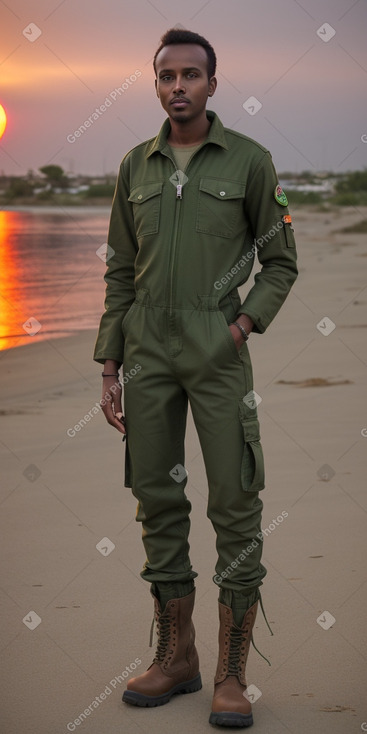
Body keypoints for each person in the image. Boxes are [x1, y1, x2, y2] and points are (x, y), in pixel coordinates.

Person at [94, 28, 298, 728]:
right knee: (157, 500)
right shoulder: (134, 166)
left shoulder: (247, 161)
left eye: (190, 74)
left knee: (236, 502)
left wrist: (240, 327)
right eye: (165, 75)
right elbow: (120, 271)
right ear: (154, 85)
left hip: (217, 355)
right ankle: (176, 657)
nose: (177, 85)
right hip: (146, 354)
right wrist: (108, 362)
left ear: (212, 84)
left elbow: (279, 261)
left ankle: (232, 674)